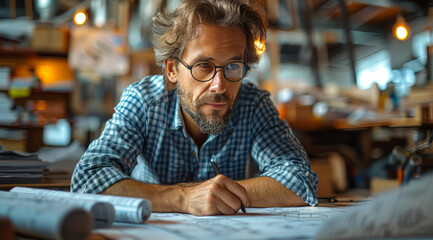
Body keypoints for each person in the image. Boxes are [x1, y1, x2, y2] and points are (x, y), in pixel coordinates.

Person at [71, 0, 318, 216]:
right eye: (203, 66)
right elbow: (88, 178)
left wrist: (218, 194)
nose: (219, 86)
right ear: (172, 69)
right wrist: (183, 198)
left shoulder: (253, 104)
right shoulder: (144, 101)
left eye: (233, 66)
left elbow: (301, 180)